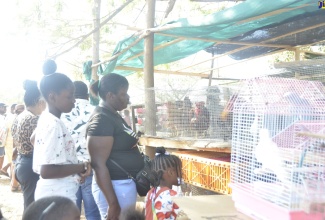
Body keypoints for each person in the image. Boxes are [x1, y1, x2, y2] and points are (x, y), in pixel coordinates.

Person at [86, 73, 144, 220]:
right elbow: (98, 164)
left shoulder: (113, 115)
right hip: (114, 188)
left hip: (122, 185)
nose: (128, 97)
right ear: (110, 95)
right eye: (123, 94)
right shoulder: (102, 119)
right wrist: (113, 204)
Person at [32, 59, 91, 203]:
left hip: (54, 191)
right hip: (57, 194)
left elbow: (33, 139)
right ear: (52, 97)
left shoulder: (46, 118)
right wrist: (81, 166)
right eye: (70, 96)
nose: (74, 101)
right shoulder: (53, 124)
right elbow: (47, 171)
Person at [61, 81, 100, 219]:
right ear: (88, 95)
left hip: (68, 169)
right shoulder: (96, 111)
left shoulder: (61, 112)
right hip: (92, 168)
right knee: (93, 212)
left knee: (71, 212)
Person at [11, 80, 46, 209]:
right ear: (39, 101)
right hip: (31, 165)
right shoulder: (34, 119)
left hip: (21, 163)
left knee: (29, 204)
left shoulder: (20, 117)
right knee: (32, 208)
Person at [145, 147, 182, 220]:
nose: (182, 173)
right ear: (171, 172)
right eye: (180, 170)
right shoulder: (174, 195)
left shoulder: (151, 192)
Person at [0, 103, 7, 176]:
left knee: (1, 156)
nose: (5, 109)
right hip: (1, 140)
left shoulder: (4, 117)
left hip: (2, 141)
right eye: (4, 107)